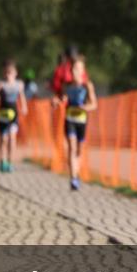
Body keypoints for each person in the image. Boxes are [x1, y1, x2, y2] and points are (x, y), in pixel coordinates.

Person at [55, 55, 96, 191]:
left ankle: (76, 174)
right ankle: (73, 178)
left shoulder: (87, 85)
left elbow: (94, 104)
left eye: (78, 68)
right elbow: (62, 98)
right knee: (71, 148)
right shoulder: (67, 86)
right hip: (70, 119)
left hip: (82, 121)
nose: (75, 71)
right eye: (73, 68)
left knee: (79, 150)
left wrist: (85, 107)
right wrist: (56, 101)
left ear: (83, 70)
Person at [0, 59, 27, 173]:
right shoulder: (1, 84)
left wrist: (24, 107)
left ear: (15, 73)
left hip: (14, 115)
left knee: (12, 138)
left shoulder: (19, 85)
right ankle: (2, 161)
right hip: (2, 114)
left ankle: (10, 162)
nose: (8, 75)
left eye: (10, 72)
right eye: (6, 73)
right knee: (3, 139)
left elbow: (21, 96)